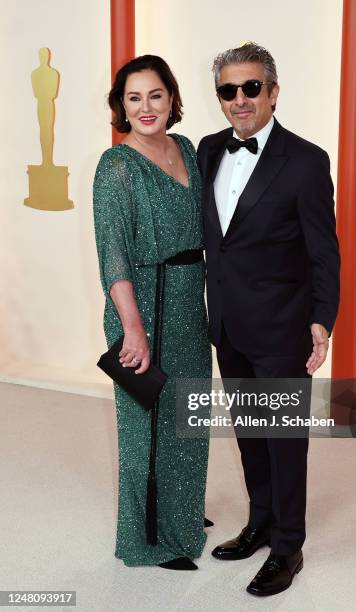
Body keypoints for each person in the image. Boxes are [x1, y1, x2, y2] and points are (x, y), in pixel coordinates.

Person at [197, 42, 340, 596]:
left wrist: (322, 320)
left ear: (273, 92)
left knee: (284, 441)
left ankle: (288, 546)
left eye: (251, 87)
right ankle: (259, 523)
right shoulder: (209, 150)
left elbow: (325, 251)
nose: (239, 100)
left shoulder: (306, 161)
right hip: (228, 323)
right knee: (250, 434)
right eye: (228, 91)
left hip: (283, 326)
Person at [93, 55, 212, 571]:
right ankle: (152, 538)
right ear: (121, 105)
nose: (145, 107)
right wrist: (133, 331)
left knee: (187, 415)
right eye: (133, 97)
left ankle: (181, 507)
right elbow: (112, 255)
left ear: (171, 98)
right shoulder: (116, 166)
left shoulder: (185, 148)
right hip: (143, 304)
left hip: (189, 301)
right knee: (149, 427)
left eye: (155, 95)